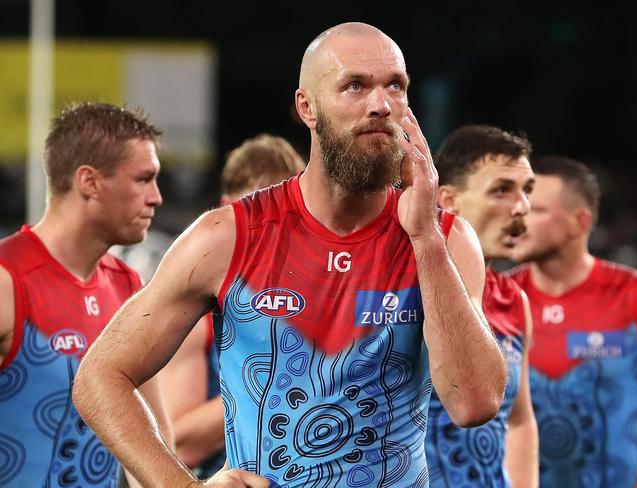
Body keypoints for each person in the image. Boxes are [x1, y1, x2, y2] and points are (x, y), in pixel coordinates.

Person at [72, 22, 508, 487]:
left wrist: (424, 237)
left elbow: (474, 403)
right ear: (308, 107)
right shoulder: (228, 237)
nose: (381, 104)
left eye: (395, 87)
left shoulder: (445, 239)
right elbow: (101, 377)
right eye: (355, 85)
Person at [0, 102, 171, 488]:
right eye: (143, 179)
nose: (156, 197)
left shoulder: (127, 286)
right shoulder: (8, 281)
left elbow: (152, 448)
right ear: (89, 182)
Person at [159, 133, 306, 477]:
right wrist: (285, 385)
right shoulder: (200, 310)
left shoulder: (325, 297)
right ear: (227, 206)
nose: (275, 226)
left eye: (289, 212)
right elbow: (179, 441)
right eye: (259, 209)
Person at [508, 156, 637, 488]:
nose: (520, 219)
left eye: (537, 210)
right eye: (521, 206)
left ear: (579, 222)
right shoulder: (499, 298)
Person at [428, 124, 539, 487]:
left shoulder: (514, 300)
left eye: (527, 190)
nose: (522, 207)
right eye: (502, 190)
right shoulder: (404, 285)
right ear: (448, 200)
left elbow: (519, 419)